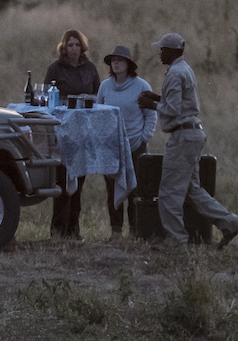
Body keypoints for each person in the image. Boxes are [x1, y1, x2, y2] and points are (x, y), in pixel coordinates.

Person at [138, 31, 238, 248]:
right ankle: (230, 222)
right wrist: (158, 98)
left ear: (171, 51)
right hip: (193, 133)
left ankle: (176, 239)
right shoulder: (185, 69)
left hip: (182, 136)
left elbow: (174, 109)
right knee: (192, 190)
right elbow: (183, 103)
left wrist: (153, 105)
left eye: (162, 50)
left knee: (168, 191)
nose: (159, 54)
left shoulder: (174, 74)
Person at [94, 45, 156, 235]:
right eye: (114, 61)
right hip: (111, 146)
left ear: (129, 64)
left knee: (135, 190)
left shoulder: (142, 86)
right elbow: (98, 112)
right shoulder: (105, 86)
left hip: (135, 144)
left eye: (120, 60)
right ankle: (116, 230)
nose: (116, 64)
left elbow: (151, 115)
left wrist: (143, 137)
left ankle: (135, 230)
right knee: (112, 189)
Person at [43, 29, 99, 238]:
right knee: (63, 181)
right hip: (62, 129)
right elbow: (47, 98)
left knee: (79, 182)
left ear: (82, 47)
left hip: (84, 129)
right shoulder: (55, 69)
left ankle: (74, 231)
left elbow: (99, 94)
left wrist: (89, 98)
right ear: (64, 48)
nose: (74, 49)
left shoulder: (90, 68)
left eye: (77, 45)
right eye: (70, 45)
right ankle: (58, 231)